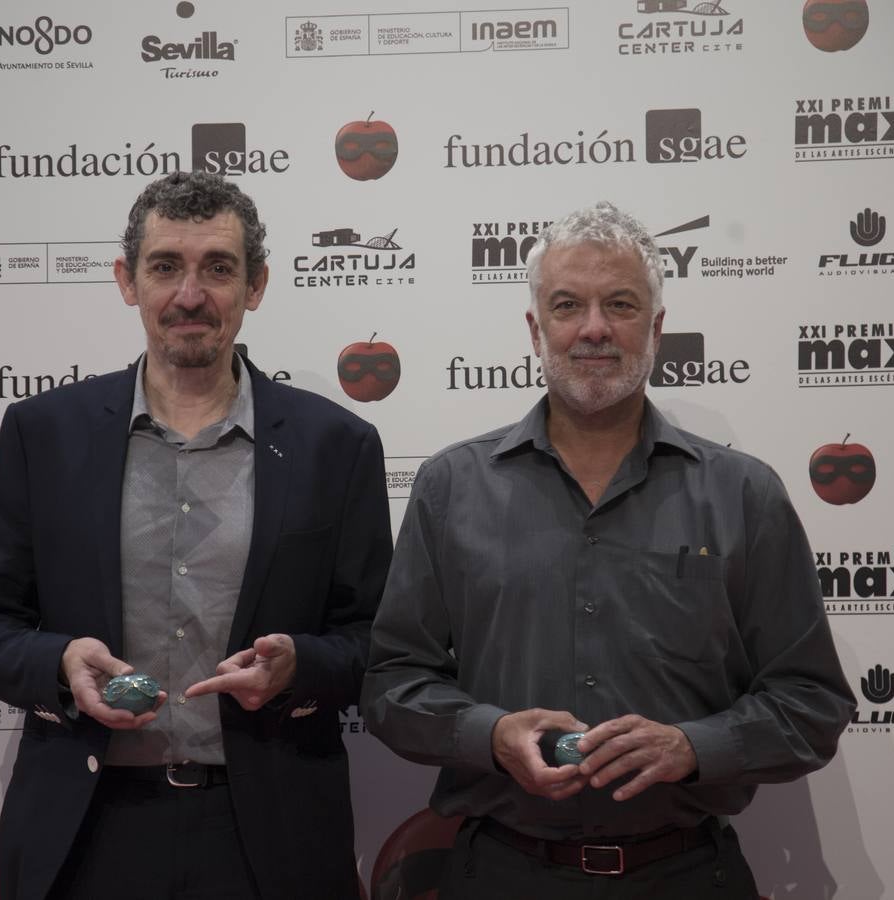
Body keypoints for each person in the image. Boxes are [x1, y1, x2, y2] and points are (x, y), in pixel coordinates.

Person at [361, 202, 855, 899]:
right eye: (568, 305)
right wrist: (491, 735)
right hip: (502, 874)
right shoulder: (451, 486)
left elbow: (812, 703)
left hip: (688, 876)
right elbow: (390, 688)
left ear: (656, 327)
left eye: (620, 304)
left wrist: (693, 747)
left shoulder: (744, 493)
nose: (594, 328)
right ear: (536, 328)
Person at [0, 171, 392, 900]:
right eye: (165, 267)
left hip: (270, 836)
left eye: (218, 268)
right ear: (128, 281)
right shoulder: (43, 434)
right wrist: (61, 662)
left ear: (256, 286)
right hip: (86, 832)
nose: (190, 295)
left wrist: (299, 666)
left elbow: (376, 641)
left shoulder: (336, 446)